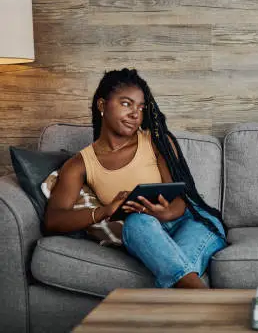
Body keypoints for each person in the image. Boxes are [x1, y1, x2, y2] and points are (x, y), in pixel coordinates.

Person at [45, 68, 227, 289]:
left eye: (141, 107)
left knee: (177, 275)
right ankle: (209, 302)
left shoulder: (157, 141)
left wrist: (166, 212)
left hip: (194, 221)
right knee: (137, 221)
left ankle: (197, 298)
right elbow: (53, 220)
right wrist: (104, 211)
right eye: (126, 103)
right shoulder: (80, 164)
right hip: (143, 230)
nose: (135, 114)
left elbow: (182, 198)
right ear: (102, 105)